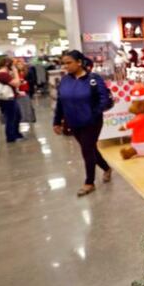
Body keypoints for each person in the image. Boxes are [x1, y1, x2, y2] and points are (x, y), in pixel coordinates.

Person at [52, 50, 113, 196]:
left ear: (79, 62)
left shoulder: (93, 79)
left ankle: (89, 182)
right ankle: (107, 168)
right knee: (90, 148)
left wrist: (94, 113)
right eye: (64, 63)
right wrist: (57, 121)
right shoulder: (65, 80)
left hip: (91, 122)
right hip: (73, 121)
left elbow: (104, 99)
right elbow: (60, 102)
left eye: (69, 63)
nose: (66, 66)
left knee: (87, 149)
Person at [0, 70, 23, 142]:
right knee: (11, 118)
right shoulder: (3, 74)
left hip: (8, 98)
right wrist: (15, 72)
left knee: (16, 116)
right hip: (8, 99)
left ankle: (15, 134)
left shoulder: (1, 74)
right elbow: (16, 84)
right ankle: (11, 136)